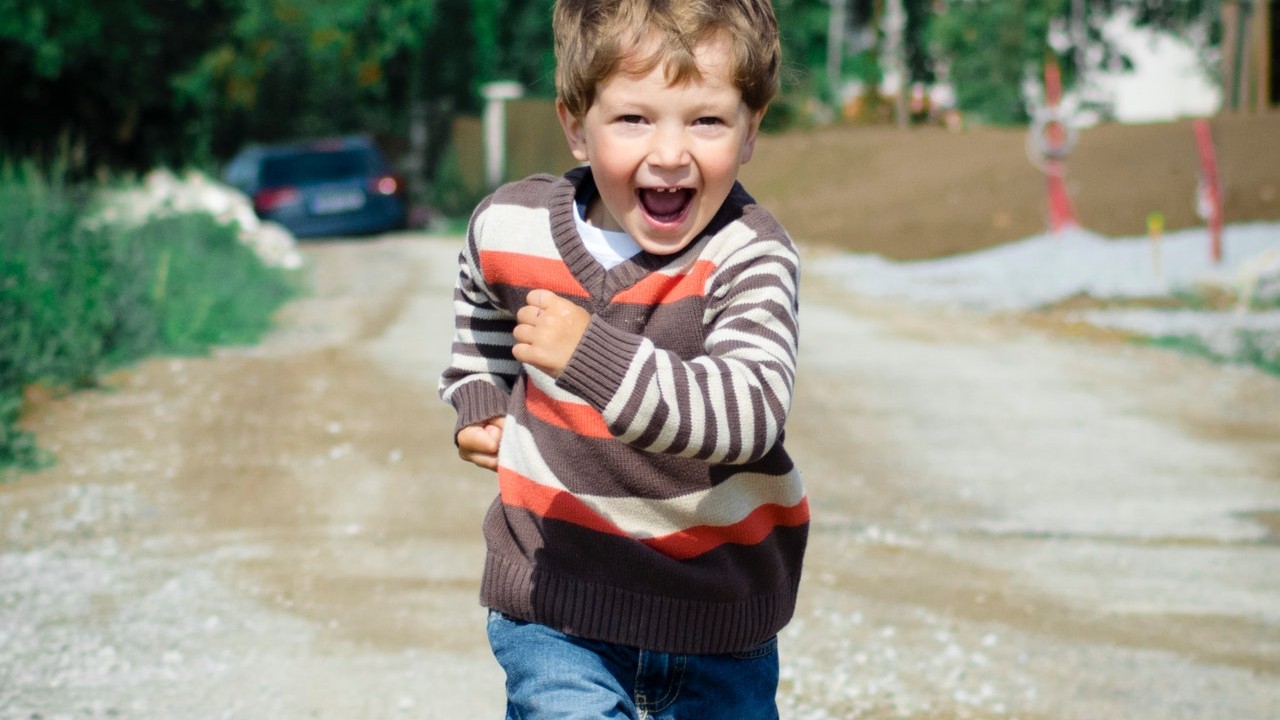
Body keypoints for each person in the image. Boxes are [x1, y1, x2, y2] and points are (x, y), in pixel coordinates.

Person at [438, 0, 806, 716]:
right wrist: (479, 394)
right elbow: (480, 296)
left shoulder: (750, 255)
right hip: (558, 601)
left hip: (715, 612)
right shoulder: (510, 225)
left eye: (706, 120)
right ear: (576, 125)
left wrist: (589, 355)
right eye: (634, 119)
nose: (669, 153)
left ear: (750, 130)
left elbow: (749, 414)